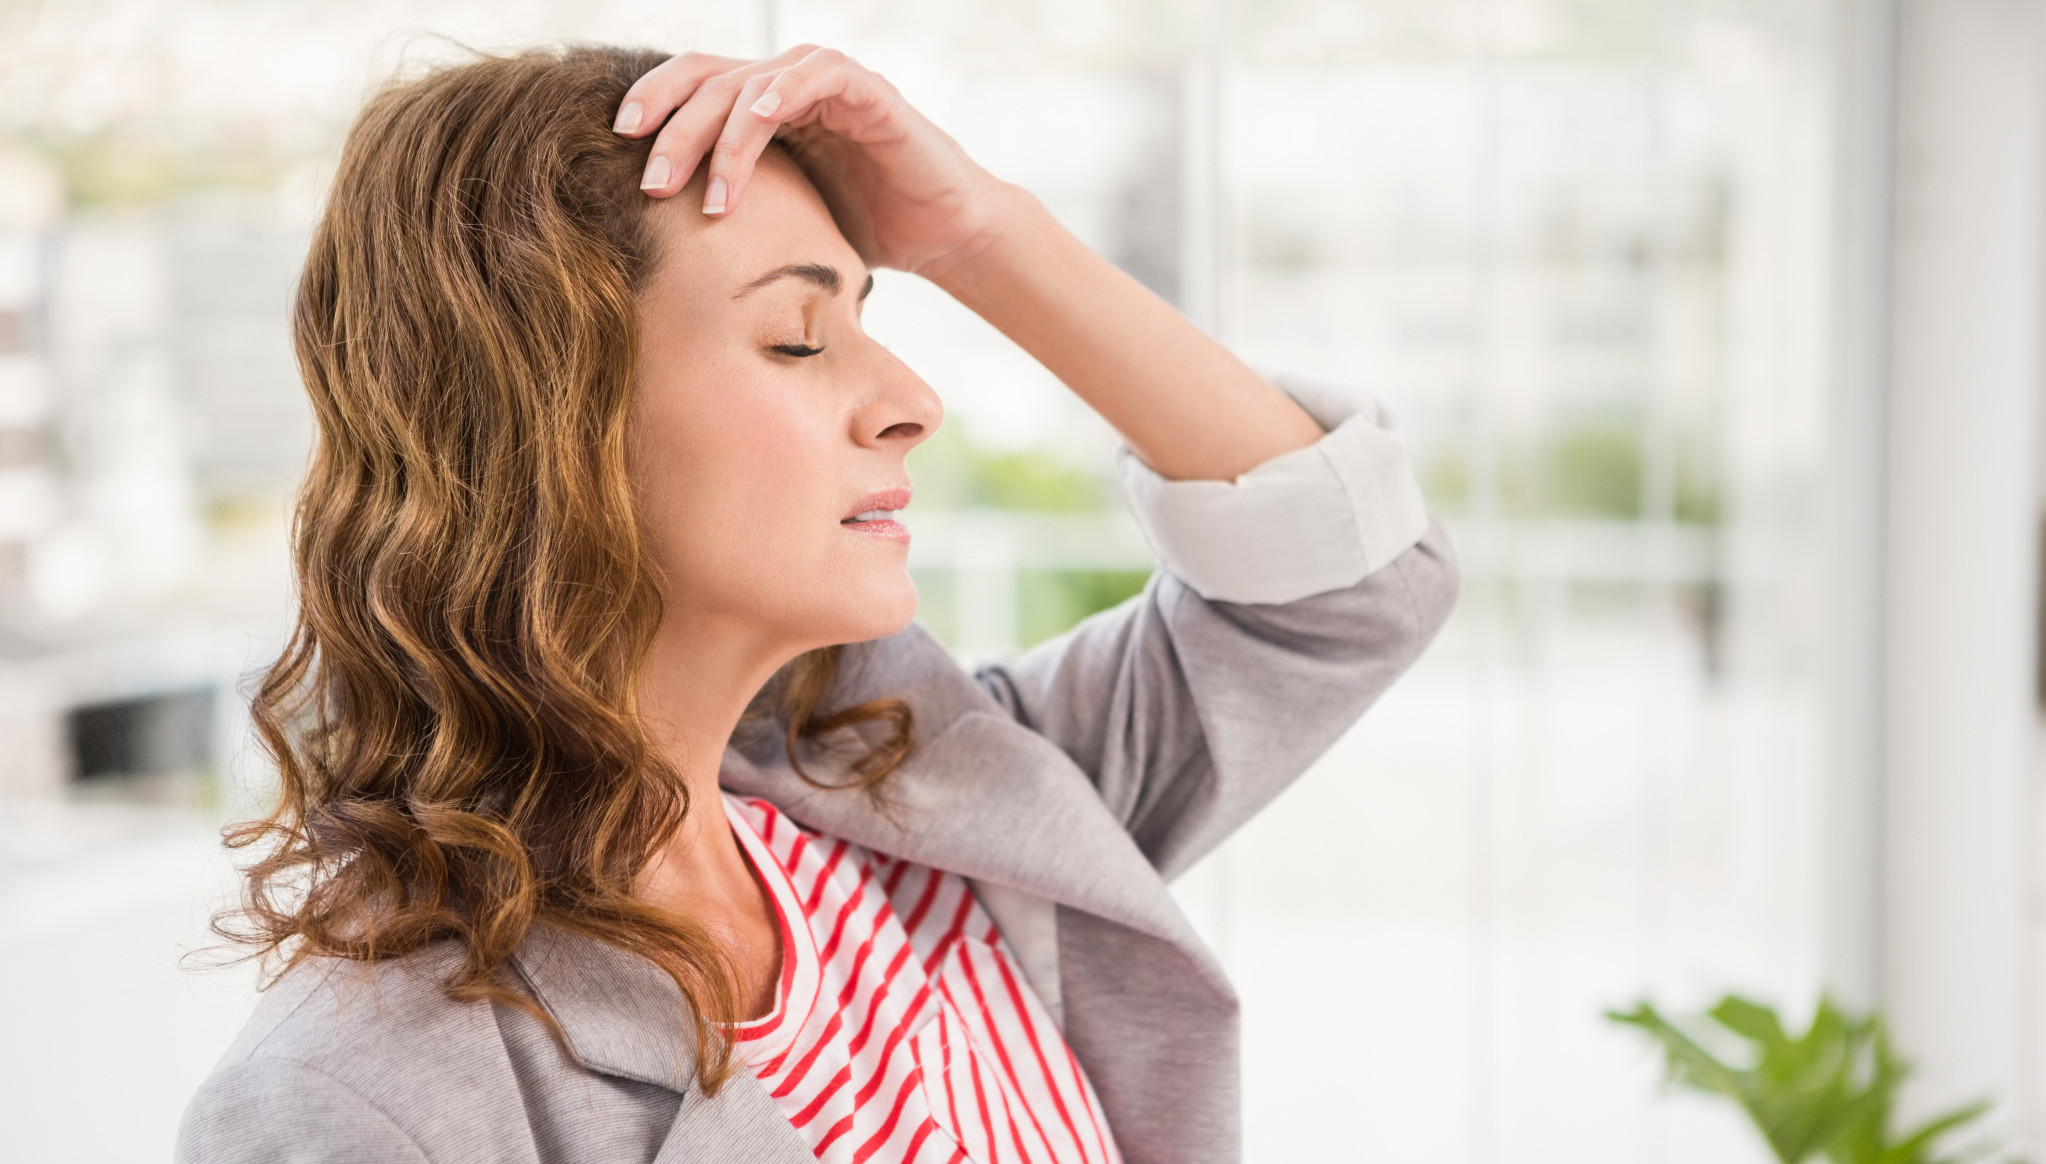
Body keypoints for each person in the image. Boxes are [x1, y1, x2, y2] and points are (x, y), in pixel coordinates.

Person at [176, 42, 1457, 1164]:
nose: (912, 401)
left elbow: (1348, 589)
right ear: (548, 422)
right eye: (798, 336)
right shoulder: (363, 1100)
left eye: (866, 317)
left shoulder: (920, 809)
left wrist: (980, 234)